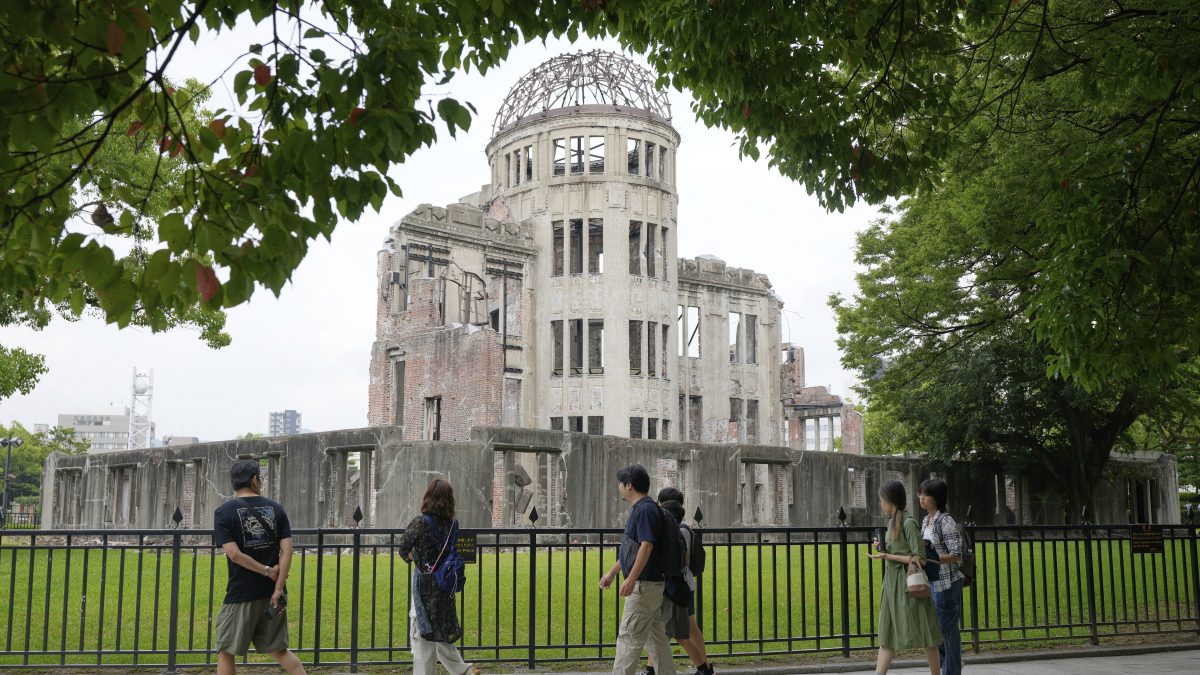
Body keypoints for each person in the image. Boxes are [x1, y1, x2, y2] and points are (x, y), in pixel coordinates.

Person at [213, 459, 306, 675]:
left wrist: (265, 570)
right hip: (271, 593)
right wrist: (277, 588)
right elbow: (287, 551)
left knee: (226, 651)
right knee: (280, 651)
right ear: (255, 479)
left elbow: (234, 554)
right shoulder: (276, 509)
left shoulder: (224, 512)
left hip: (241, 592)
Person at [398, 479, 481, 675]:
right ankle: (464, 671)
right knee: (441, 631)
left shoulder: (420, 522)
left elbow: (403, 550)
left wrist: (418, 558)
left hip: (425, 584)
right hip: (445, 583)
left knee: (423, 633)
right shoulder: (453, 524)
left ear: (429, 498)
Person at [600, 464, 678, 675]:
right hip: (649, 587)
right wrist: (612, 572)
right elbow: (633, 549)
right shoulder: (644, 508)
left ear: (629, 486)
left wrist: (631, 578)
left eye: (620, 483)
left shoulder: (645, 510)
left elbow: (647, 545)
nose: (618, 486)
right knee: (657, 642)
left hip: (643, 587)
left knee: (629, 639)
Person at [866, 480, 942, 675]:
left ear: (890, 500)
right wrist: (882, 548)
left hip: (909, 584)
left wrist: (887, 556)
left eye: (882, 500)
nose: (881, 504)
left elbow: (921, 559)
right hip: (891, 584)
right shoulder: (892, 522)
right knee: (887, 634)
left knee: (927, 633)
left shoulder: (908, 523)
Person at [641, 487, 714, 675]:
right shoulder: (686, 528)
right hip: (684, 585)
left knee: (675, 631)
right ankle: (652, 668)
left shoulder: (676, 530)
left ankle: (703, 668)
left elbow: (672, 561)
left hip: (675, 587)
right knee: (675, 628)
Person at [919, 479, 965, 675]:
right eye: (919, 493)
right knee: (937, 632)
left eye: (925, 494)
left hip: (947, 584)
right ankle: (948, 668)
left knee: (947, 631)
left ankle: (952, 671)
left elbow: (956, 554)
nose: (921, 498)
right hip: (932, 582)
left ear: (936, 498)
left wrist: (932, 559)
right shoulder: (925, 521)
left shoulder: (946, 521)